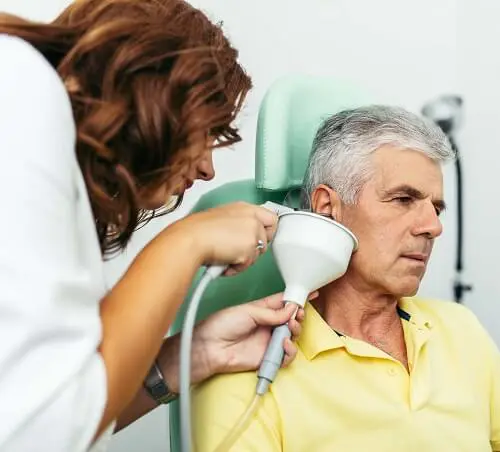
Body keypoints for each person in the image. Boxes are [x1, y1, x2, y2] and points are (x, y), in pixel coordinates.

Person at [0, 1, 310, 451]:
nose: (207, 170)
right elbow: (39, 430)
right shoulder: (20, 84)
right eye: (209, 132)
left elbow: (57, 406)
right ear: (159, 87)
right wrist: (185, 243)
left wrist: (194, 354)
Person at [191, 105, 500, 452]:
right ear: (328, 208)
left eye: (436, 208)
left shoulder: (459, 329)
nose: (433, 227)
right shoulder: (248, 364)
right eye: (404, 199)